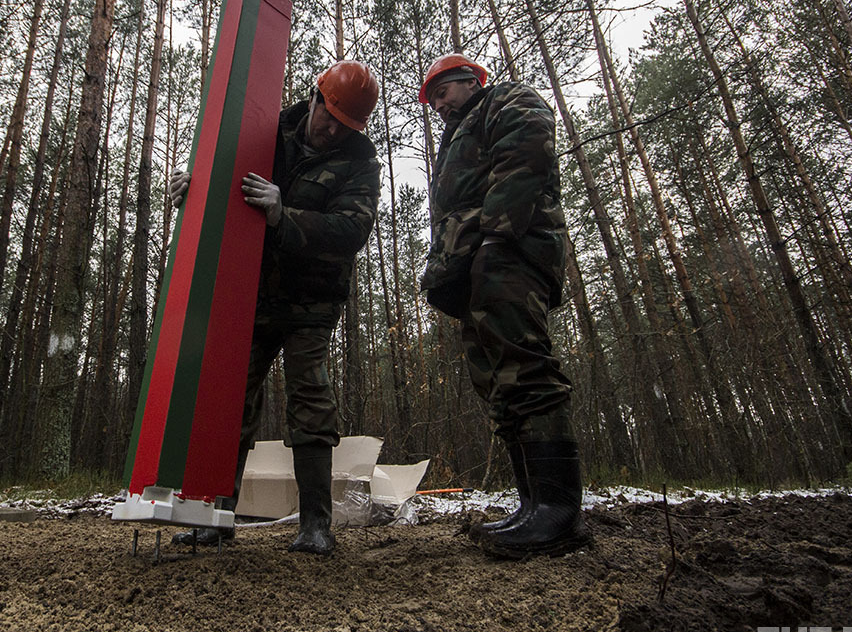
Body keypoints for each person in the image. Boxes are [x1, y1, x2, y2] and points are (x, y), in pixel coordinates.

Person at [168, 60, 381, 555]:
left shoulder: (361, 163)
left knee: (310, 398)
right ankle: (215, 517)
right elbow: (225, 185)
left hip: (313, 299)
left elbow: (351, 231)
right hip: (253, 291)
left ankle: (315, 526)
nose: (332, 130)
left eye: (345, 126)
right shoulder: (266, 132)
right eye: (329, 116)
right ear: (314, 98)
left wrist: (285, 214)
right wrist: (192, 192)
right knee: (230, 399)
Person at [418, 53, 589, 559]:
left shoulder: (507, 100)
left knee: (525, 368)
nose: (439, 105)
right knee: (496, 382)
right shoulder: (458, 134)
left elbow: (528, 152)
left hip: (511, 253)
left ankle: (559, 513)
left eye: (443, 93)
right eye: (432, 101)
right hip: (476, 268)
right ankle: (532, 504)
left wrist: (496, 237)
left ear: (468, 81)